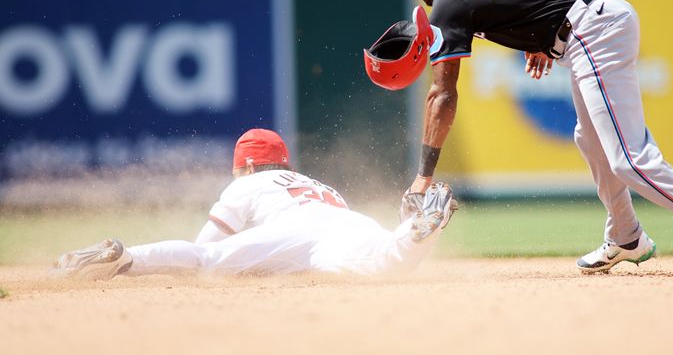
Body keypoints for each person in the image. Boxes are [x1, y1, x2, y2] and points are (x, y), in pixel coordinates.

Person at [366, 0, 673, 275]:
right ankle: (626, 236)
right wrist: (545, 30)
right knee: (588, 139)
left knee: (630, 159)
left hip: (592, 32)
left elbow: (443, 93)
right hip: (598, 19)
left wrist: (423, 177)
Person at [52, 128, 458, 280]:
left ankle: (123, 257)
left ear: (245, 165)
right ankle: (419, 225)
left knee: (205, 261)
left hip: (294, 231)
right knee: (389, 262)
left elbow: (206, 244)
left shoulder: (250, 182)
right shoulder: (315, 183)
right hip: (347, 220)